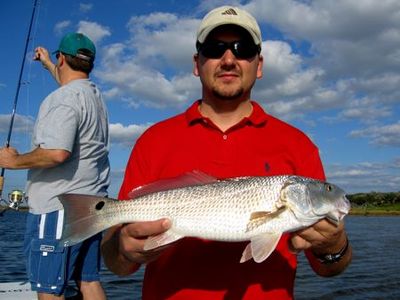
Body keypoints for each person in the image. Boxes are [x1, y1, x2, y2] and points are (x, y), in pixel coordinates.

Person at [101, 6, 352, 300]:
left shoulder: (298, 145)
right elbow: (116, 263)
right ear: (197, 63)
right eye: (215, 48)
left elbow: (329, 270)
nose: (229, 59)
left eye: (242, 49)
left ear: (259, 64)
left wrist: (334, 247)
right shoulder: (153, 140)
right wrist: (122, 248)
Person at [0, 32, 109, 299]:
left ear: (63, 58)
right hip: (90, 208)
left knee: (50, 290)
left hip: (56, 209)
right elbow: (69, 84)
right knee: (88, 281)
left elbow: (56, 153)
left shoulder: (62, 99)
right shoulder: (93, 96)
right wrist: (48, 63)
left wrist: (12, 161)